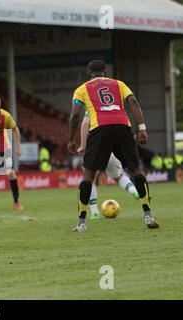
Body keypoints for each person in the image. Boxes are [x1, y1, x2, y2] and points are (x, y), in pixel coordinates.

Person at [67, 59, 159, 232]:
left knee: (88, 176)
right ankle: (148, 215)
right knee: (135, 170)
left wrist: (71, 139)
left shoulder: (82, 89)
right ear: (106, 73)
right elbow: (133, 103)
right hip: (122, 126)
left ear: (88, 74)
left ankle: (81, 223)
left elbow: (75, 116)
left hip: (99, 129)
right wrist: (142, 128)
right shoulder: (119, 84)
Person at [78, 111, 139, 220]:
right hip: (112, 149)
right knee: (119, 177)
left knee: (90, 180)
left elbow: (85, 123)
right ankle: (134, 192)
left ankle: (95, 212)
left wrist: (83, 146)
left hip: (96, 148)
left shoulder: (91, 106)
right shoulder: (114, 106)